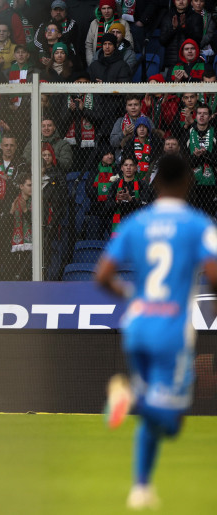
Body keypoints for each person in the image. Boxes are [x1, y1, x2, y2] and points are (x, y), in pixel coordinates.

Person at [95, 154, 217, 509]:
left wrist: (130, 295)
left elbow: (102, 275)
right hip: (171, 331)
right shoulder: (198, 223)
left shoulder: (136, 223)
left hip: (137, 326)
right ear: (188, 183)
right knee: (173, 421)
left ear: (156, 183)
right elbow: (214, 274)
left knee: (153, 413)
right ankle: (130, 396)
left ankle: (141, 487)